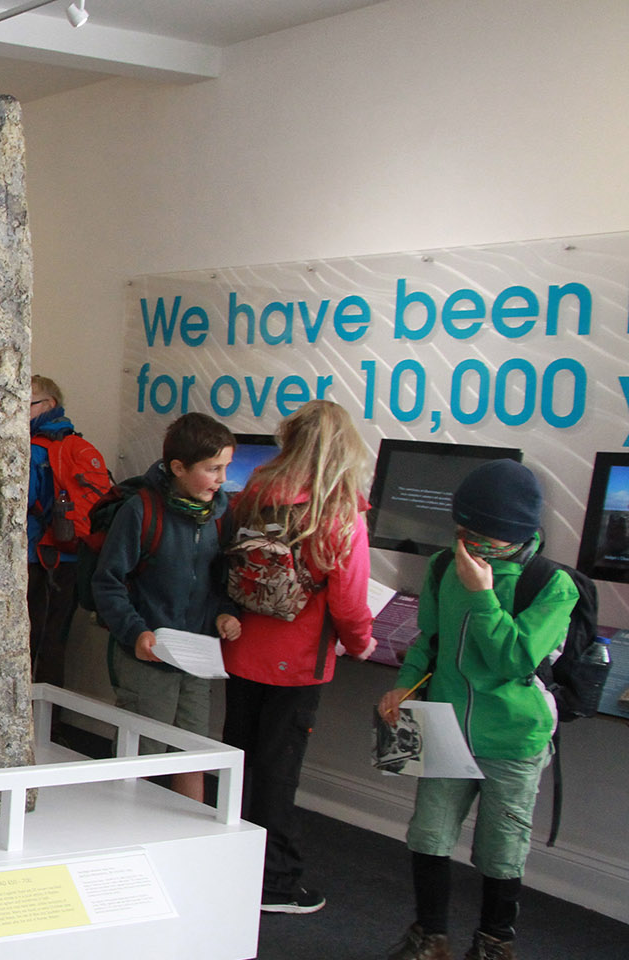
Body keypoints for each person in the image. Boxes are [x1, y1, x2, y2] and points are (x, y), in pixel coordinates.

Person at [377, 460, 577, 960]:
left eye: (478, 532)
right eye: (461, 528)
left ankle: (493, 943)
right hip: (445, 725)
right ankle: (430, 936)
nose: (465, 539)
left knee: (501, 848)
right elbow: (431, 639)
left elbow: (515, 659)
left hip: (514, 737)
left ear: (514, 532)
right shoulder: (445, 565)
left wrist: (483, 595)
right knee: (428, 833)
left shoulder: (551, 584)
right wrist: (401, 687)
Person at [219, 400, 377, 916]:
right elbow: (350, 603)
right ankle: (276, 883)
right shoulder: (339, 514)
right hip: (298, 661)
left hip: (241, 649)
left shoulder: (254, 494)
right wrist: (361, 645)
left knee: (239, 761)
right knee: (278, 772)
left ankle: (228, 864)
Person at [91, 412, 240, 802]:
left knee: (193, 751)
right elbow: (107, 583)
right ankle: (123, 835)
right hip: (148, 657)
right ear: (178, 467)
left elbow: (222, 581)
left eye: (225, 467)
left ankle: (190, 844)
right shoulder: (140, 511)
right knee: (143, 753)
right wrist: (135, 631)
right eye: (213, 469)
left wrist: (226, 614)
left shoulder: (221, 516)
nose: (223, 479)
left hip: (198, 657)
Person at [27, 375, 89, 688]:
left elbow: (20, 503)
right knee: (54, 642)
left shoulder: (34, 450)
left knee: (27, 641)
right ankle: (51, 724)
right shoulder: (76, 444)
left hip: (35, 556)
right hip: (69, 555)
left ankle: (29, 723)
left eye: (27, 403)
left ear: (49, 404)